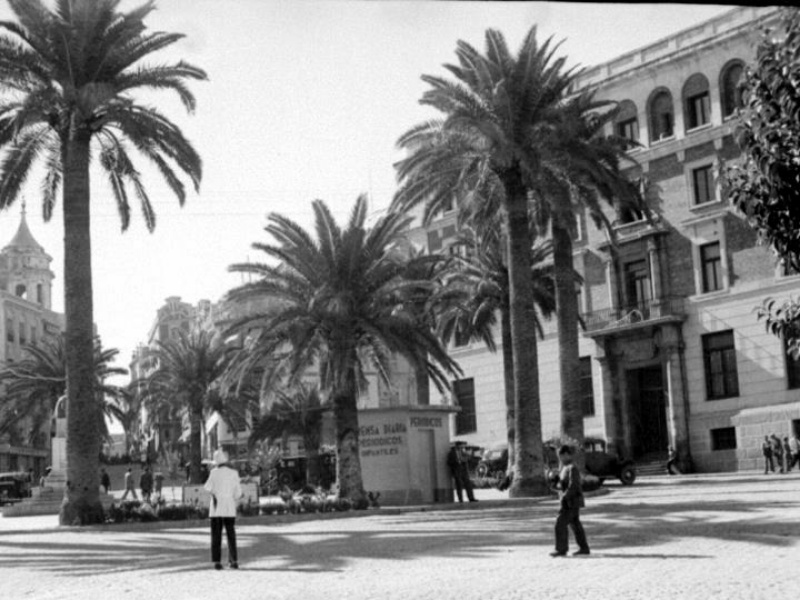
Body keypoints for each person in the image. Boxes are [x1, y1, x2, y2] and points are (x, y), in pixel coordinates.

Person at [204, 448, 243, 570]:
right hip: (229, 507)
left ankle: (217, 562)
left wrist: (216, 492)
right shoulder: (234, 473)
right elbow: (238, 493)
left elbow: (207, 487)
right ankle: (233, 560)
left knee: (216, 535)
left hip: (216, 508)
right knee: (231, 534)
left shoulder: (214, 473)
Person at [550, 444, 590, 558]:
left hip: (571, 502)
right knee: (575, 525)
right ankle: (584, 548)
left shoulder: (572, 468)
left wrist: (565, 497)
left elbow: (574, 485)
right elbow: (560, 486)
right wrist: (554, 481)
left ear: (567, 454)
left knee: (560, 524)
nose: (560, 459)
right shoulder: (564, 468)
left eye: (561, 456)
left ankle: (561, 549)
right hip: (569, 501)